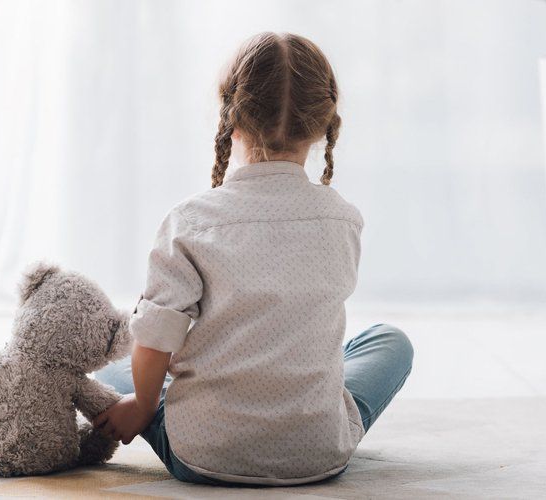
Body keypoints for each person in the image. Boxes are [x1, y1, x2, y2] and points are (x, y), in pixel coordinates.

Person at [93, 32, 413, 486]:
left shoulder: (190, 220)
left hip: (200, 454)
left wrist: (143, 407)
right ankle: (309, 415)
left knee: (116, 370)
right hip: (318, 456)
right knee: (390, 341)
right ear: (324, 124)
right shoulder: (344, 219)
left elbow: (156, 335)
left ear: (232, 120)